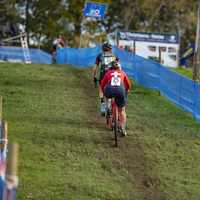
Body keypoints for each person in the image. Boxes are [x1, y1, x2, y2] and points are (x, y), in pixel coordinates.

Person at [100, 61, 131, 137]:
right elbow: (128, 85)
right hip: (120, 90)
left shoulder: (107, 73)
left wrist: (104, 91)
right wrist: (126, 90)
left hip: (109, 89)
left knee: (105, 93)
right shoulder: (122, 72)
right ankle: (123, 129)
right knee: (122, 110)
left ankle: (107, 106)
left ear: (110, 67)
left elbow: (102, 86)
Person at [93, 42, 121, 116]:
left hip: (103, 72)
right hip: (114, 73)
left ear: (103, 49)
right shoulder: (115, 55)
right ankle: (114, 105)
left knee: (102, 89)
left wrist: (95, 77)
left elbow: (94, 69)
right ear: (111, 50)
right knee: (114, 88)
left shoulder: (100, 55)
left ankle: (103, 103)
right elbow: (120, 68)